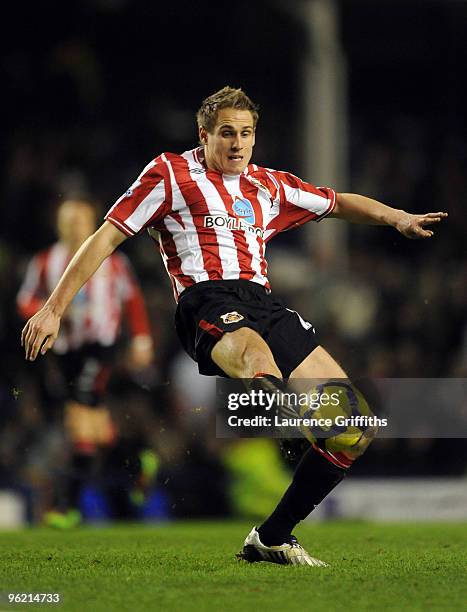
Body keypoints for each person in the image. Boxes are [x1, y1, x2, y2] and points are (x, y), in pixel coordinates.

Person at [21, 87, 447, 563]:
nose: (238, 143)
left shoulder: (268, 185)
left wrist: (397, 217)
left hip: (263, 303)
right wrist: (54, 306)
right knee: (256, 360)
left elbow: (337, 202)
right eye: (227, 133)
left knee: (355, 427)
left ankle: (273, 537)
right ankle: (286, 424)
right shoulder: (169, 173)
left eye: (246, 133)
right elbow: (105, 239)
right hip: (205, 301)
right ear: (203, 135)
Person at [18, 198, 154, 526]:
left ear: (92, 223)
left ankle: (68, 505)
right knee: (93, 424)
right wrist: (47, 315)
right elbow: (26, 300)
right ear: (59, 224)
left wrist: (141, 338)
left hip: (100, 347)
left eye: (81, 220)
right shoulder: (46, 261)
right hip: (65, 351)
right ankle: (137, 461)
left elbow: (132, 300)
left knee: (78, 416)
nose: (75, 226)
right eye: (69, 220)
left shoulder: (113, 261)